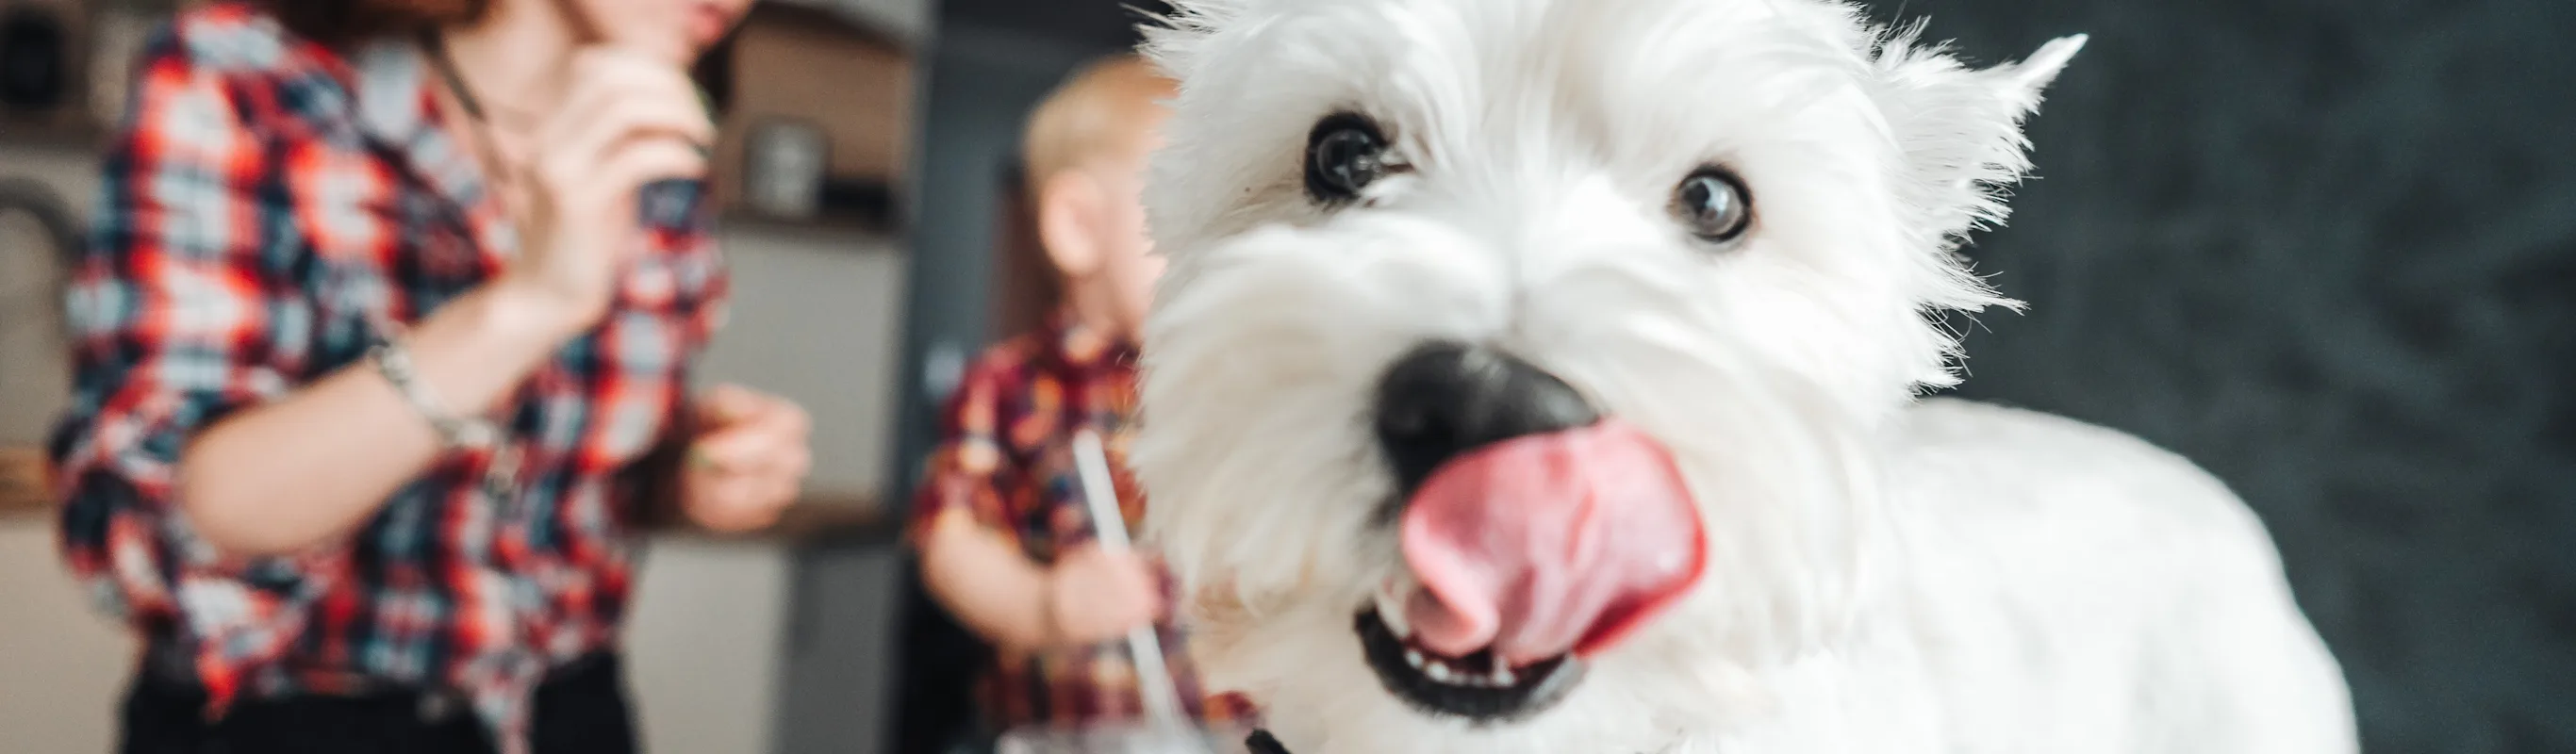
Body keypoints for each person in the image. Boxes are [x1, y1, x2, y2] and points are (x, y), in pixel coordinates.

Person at [47, 1, 808, 752]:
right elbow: (179, 519)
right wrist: (526, 304)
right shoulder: (250, 79)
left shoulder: (652, 130)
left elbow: (564, 483)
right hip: (289, 721)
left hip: (567, 710)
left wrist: (688, 476)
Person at [912, 54, 1251, 737]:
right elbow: (949, 543)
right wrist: (1042, 606)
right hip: (1065, 733)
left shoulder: (1238, 384)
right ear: (1079, 227)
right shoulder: (1007, 386)